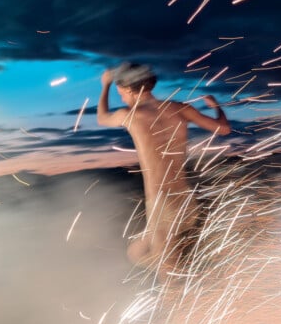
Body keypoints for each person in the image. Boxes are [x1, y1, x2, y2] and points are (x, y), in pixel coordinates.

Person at [97, 62, 231, 269]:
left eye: (121, 93)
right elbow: (223, 129)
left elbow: (102, 118)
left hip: (160, 203)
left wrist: (105, 85)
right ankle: (189, 278)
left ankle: (182, 292)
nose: (122, 98)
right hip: (184, 198)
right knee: (137, 252)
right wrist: (216, 107)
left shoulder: (130, 115)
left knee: (167, 269)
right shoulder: (180, 109)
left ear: (130, 89)